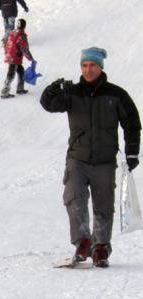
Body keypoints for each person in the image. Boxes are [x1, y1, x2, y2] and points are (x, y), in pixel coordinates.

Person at [40, 47, 141, 267]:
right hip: (77, 158)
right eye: (84, 65)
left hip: (104, 161)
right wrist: (51, 90)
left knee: (103, 205)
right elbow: (48, 105)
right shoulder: (73, 93)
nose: (88, 70)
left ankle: (101, 247)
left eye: (92, 65)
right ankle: (83, 242)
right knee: (74, 199)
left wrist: (132, 151)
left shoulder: (116, 95)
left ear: (100, 67)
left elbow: (132, 123)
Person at [1, 18, 34, 99]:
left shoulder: (12, 32)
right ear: (24, 26)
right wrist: (30, 58)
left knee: (21, 71)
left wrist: (7, 51)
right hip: (15, 57)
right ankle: (4, 92)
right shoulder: (22, 35)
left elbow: (4, 41)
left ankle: (20, 88)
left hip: (10, 55)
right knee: (11, 74)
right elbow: (24, 49)